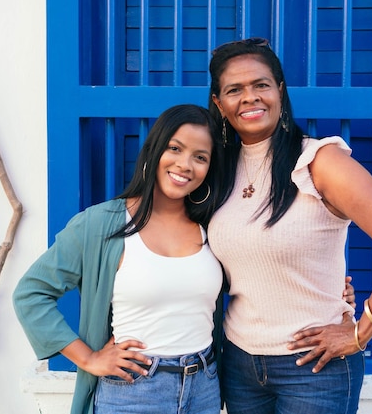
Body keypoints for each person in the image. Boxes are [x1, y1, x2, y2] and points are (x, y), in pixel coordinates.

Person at [206, 38, 372, 414]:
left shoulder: (317, 160)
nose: (250, 97)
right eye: (234, 90)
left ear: (280, 90)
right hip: (239, 363)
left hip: (314, 368)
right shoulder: (215, 168)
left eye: (261, 85)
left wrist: (364, 330)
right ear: (218, 103)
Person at [13, 104, 227, 414]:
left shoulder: (212, 226)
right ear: (153, 150)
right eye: (175, 148)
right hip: (133, 390)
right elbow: (31, 294)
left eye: (200, 157)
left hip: (203, 386)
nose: (185, 165)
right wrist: (88, 358)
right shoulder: (101, 224)